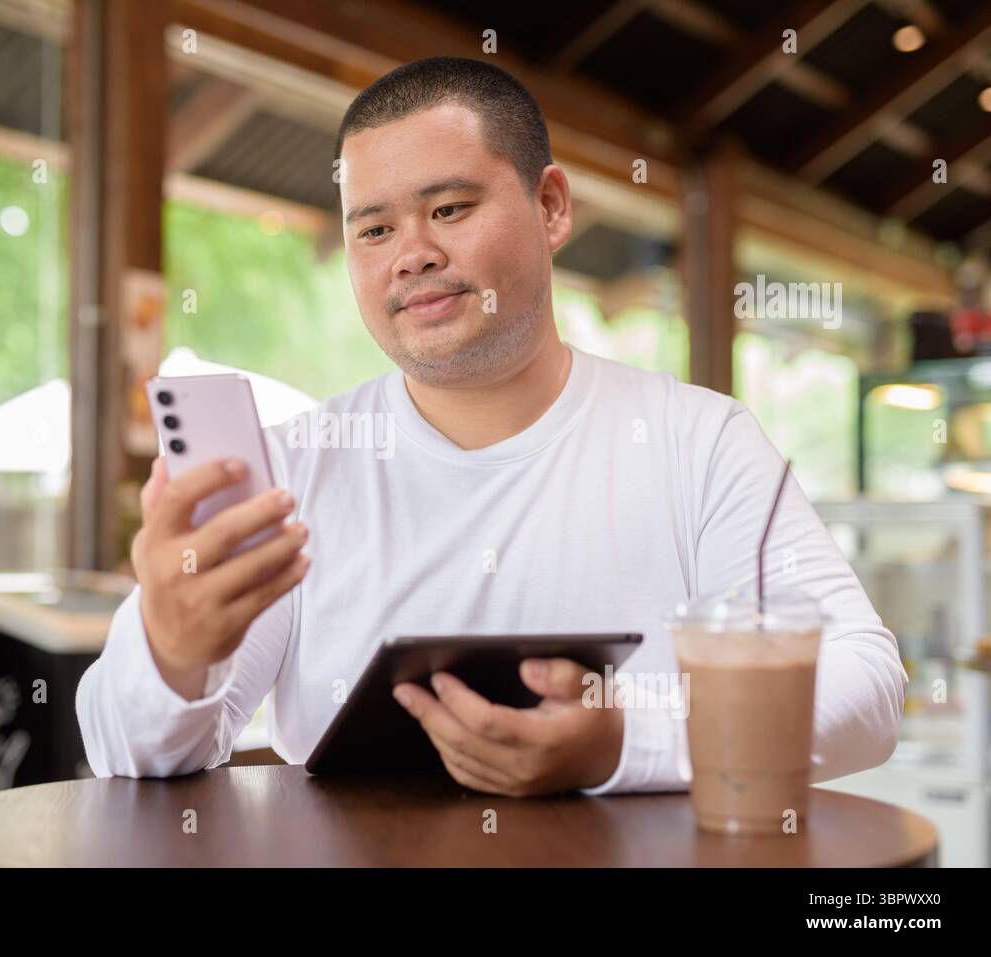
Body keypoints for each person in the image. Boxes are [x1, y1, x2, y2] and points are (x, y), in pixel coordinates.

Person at [76, 56, 905, 797]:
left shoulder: (701, 442)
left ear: (549, 207)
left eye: (448, 207)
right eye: (373, 228)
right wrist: (171, 647)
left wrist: (625, 742)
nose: (411, 254)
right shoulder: (294, 471)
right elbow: (125, 753)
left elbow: (865, 687)